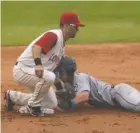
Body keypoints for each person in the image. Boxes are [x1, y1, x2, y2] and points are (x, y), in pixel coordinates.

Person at [4, 12, 85, 116]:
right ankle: (32, 107)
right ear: (65, 25)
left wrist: (61, 87)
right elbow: (36, 47)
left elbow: (52, 72)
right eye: (76, 26)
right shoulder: (54, 35)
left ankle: (12, 97)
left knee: (51, 104)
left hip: (36, 74)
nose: (77, 29)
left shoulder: (61, 47)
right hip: (23, 69)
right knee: (48, 77)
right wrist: (38, 64)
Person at [57, 56, 140, 112]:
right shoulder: (69, 83)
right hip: (118, 97)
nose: (59, 74)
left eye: (61, 71)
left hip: (117, 94)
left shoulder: (80, 77)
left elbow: (84, 96)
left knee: (137, 106)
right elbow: (80, 103)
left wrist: (70, 104)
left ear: (67, 71)